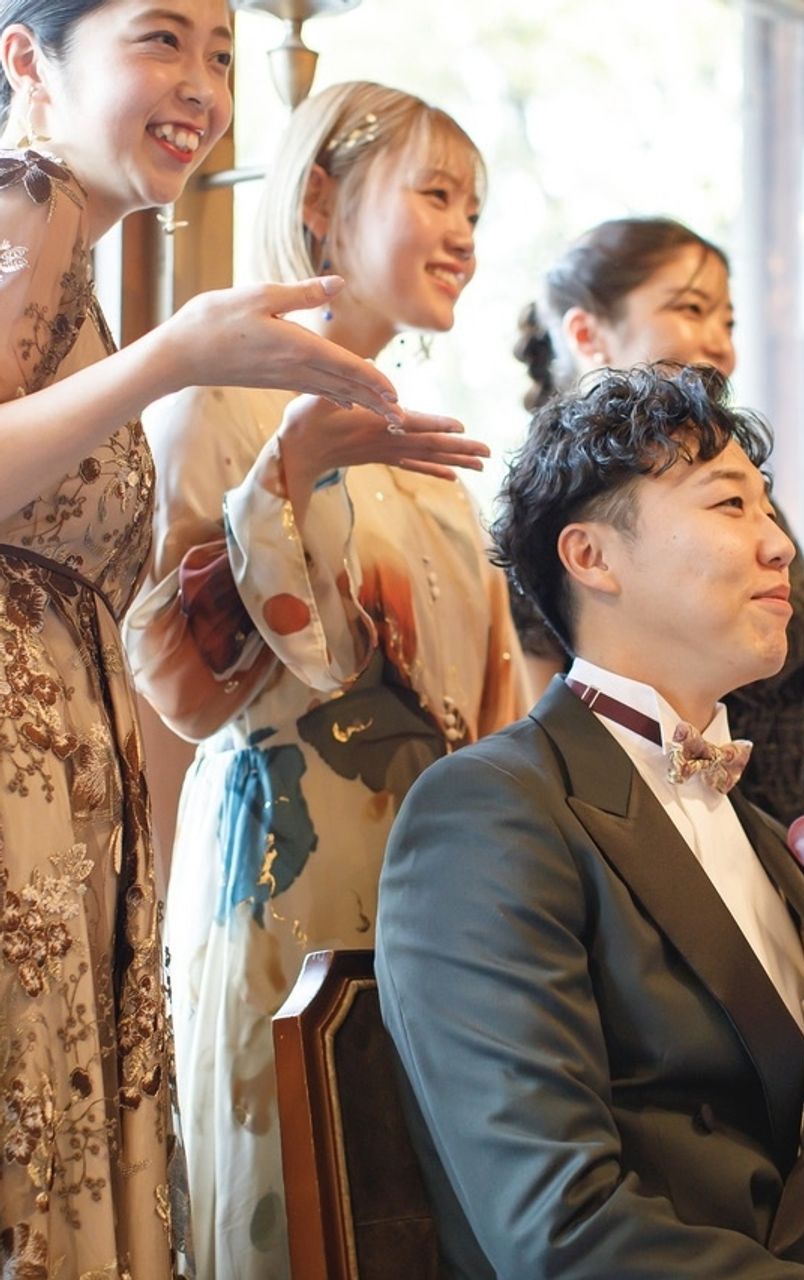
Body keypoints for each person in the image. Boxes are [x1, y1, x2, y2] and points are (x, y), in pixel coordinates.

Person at [376, 364, 804, 1279]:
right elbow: (562, 1228)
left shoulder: (764, 834)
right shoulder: (490, 812)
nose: (779, 545)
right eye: (730, 505)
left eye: (769, 511)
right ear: (593, 558)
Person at [0, 1, 417, 1273]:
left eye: (222, 55)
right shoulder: (27, 202)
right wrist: (175, 357)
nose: (202, 85)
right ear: (27, 59)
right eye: (161, 39)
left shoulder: (73, 261)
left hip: (70, 802)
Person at [122, 80, 528, 1277]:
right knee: (297, 1206)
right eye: (436, 195)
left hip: (432, 883)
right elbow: (175, 678)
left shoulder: (421, 435)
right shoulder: (220, 396)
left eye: (475, 209)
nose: (463, 234)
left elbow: (488, 705)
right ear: (317, 199)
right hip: (282, 870)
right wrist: (285, 478)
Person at [513, 215, 804, 825]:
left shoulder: (761, 511)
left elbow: (790, 716)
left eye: (729, 322)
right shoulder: (561, 513)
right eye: (692, 309)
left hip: (769, 831)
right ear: (586, 333)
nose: (722, 344)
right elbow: (541, 739)